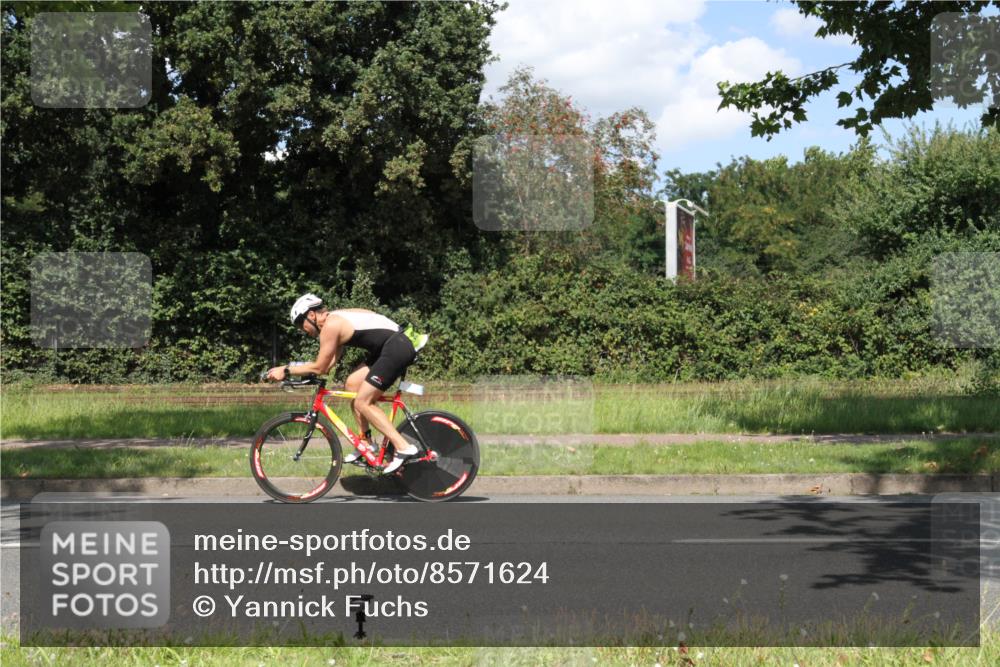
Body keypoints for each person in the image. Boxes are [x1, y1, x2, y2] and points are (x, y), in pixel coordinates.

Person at [265, 293, 422, 474]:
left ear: (311, 315)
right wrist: (305, 373)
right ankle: (366, 443)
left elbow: (320, 367)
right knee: (352, 384)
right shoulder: (335, 320)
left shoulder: (331, 326)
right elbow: (328, 365)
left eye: (302, 324)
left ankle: (403, 447)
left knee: (364, 402)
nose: (303, 330)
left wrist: (286, 369)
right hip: (389, 346)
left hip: (397, 346)